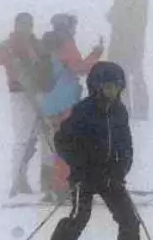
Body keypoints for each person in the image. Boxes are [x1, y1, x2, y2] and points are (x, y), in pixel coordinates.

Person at [24, 61, 146, 240]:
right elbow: (62, 141)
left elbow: (126, 146)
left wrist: (120, 171)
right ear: (96, 87)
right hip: (85, 177)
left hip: (111, 177)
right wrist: (80, 166)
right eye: (107, 87)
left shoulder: (120, 112)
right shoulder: (83, 111)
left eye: (116, 87)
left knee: (129, 220)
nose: (112, 92)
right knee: (78, 218)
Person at [38, 14, 104, 201]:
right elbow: (79, 68)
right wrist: (96, 54)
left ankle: (54, 186)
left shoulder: (47, 44)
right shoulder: (65, 42)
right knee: (68, 144)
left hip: (50, 101)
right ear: (68, 26)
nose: (75, 29)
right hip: (66, 100)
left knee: (57, 144)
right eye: (74, 25)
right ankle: (63, 186)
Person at [0, 12, 44, 196]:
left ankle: (22, 178)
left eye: (29, 24)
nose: (26, 28)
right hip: (20, 94)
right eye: (23, 24)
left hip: (38, 93)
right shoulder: (10, 44)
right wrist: (4, 53)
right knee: (23, 138)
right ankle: (17, 180)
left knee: (32, 138)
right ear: (16, 25)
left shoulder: (35, 44)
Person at [106, 0, 150, 120]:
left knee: (129, 74)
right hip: (129, 42)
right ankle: (134, 108)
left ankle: (132, 109)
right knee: (131, 74)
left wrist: (114, 18)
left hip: (128, 42)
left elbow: (131, 20)